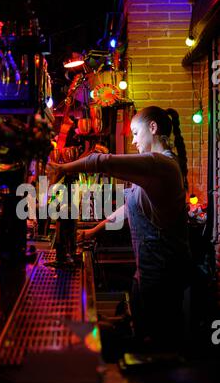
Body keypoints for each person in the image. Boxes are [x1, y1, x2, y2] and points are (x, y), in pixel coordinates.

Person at [48, 106, 192, 351]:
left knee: (158, 348)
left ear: (153, 128)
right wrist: (93, 232)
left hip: (163, 277)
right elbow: (129, 209)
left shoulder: (161, 164)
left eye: (136, 133)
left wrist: (63, 168)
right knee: (142, 335)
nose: (134, 140)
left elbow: (101, 161)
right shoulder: (155, 168)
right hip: (147, 272)